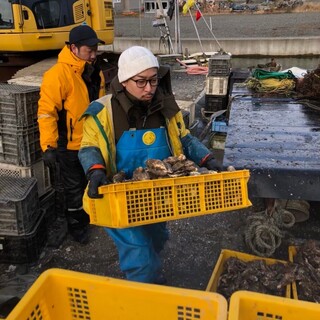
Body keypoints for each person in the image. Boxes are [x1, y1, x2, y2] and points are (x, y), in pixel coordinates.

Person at [78, 46, 221, 283]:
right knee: (140, 253)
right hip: (120, 198)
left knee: (157, 237)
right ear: (124, 80)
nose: (149, 88)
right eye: (141, 81)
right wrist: (95, 171)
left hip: (156, 195)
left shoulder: (166, 108)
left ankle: (152, 274)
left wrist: (208, 159)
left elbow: (184, 138)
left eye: (154, 81)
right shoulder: (103, 111)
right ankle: (144, 293)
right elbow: (89, 145)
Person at [38, 24, 106, 244]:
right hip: (70, 146)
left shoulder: (96, 72)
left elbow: (102, 105)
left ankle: (93, 216)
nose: (94, 54)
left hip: (94, 142)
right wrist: (48, 147)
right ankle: (77, 227)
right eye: (90, 50)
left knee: (93, 181)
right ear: (74, 48)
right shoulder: (57, 75)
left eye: (96, 49)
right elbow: (47, 113)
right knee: (73, 189)